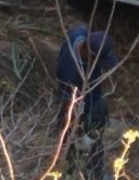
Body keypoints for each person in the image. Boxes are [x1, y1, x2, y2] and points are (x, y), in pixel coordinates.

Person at [56, 24, 118, 179]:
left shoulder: (82, 32)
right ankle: (79, 172)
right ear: (87, 53)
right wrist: (74, 130)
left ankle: (92, 169)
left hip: (92, 92)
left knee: (98, 121)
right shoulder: (69, 72)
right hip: (79, 101)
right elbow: (67, 106)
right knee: (86, 139)